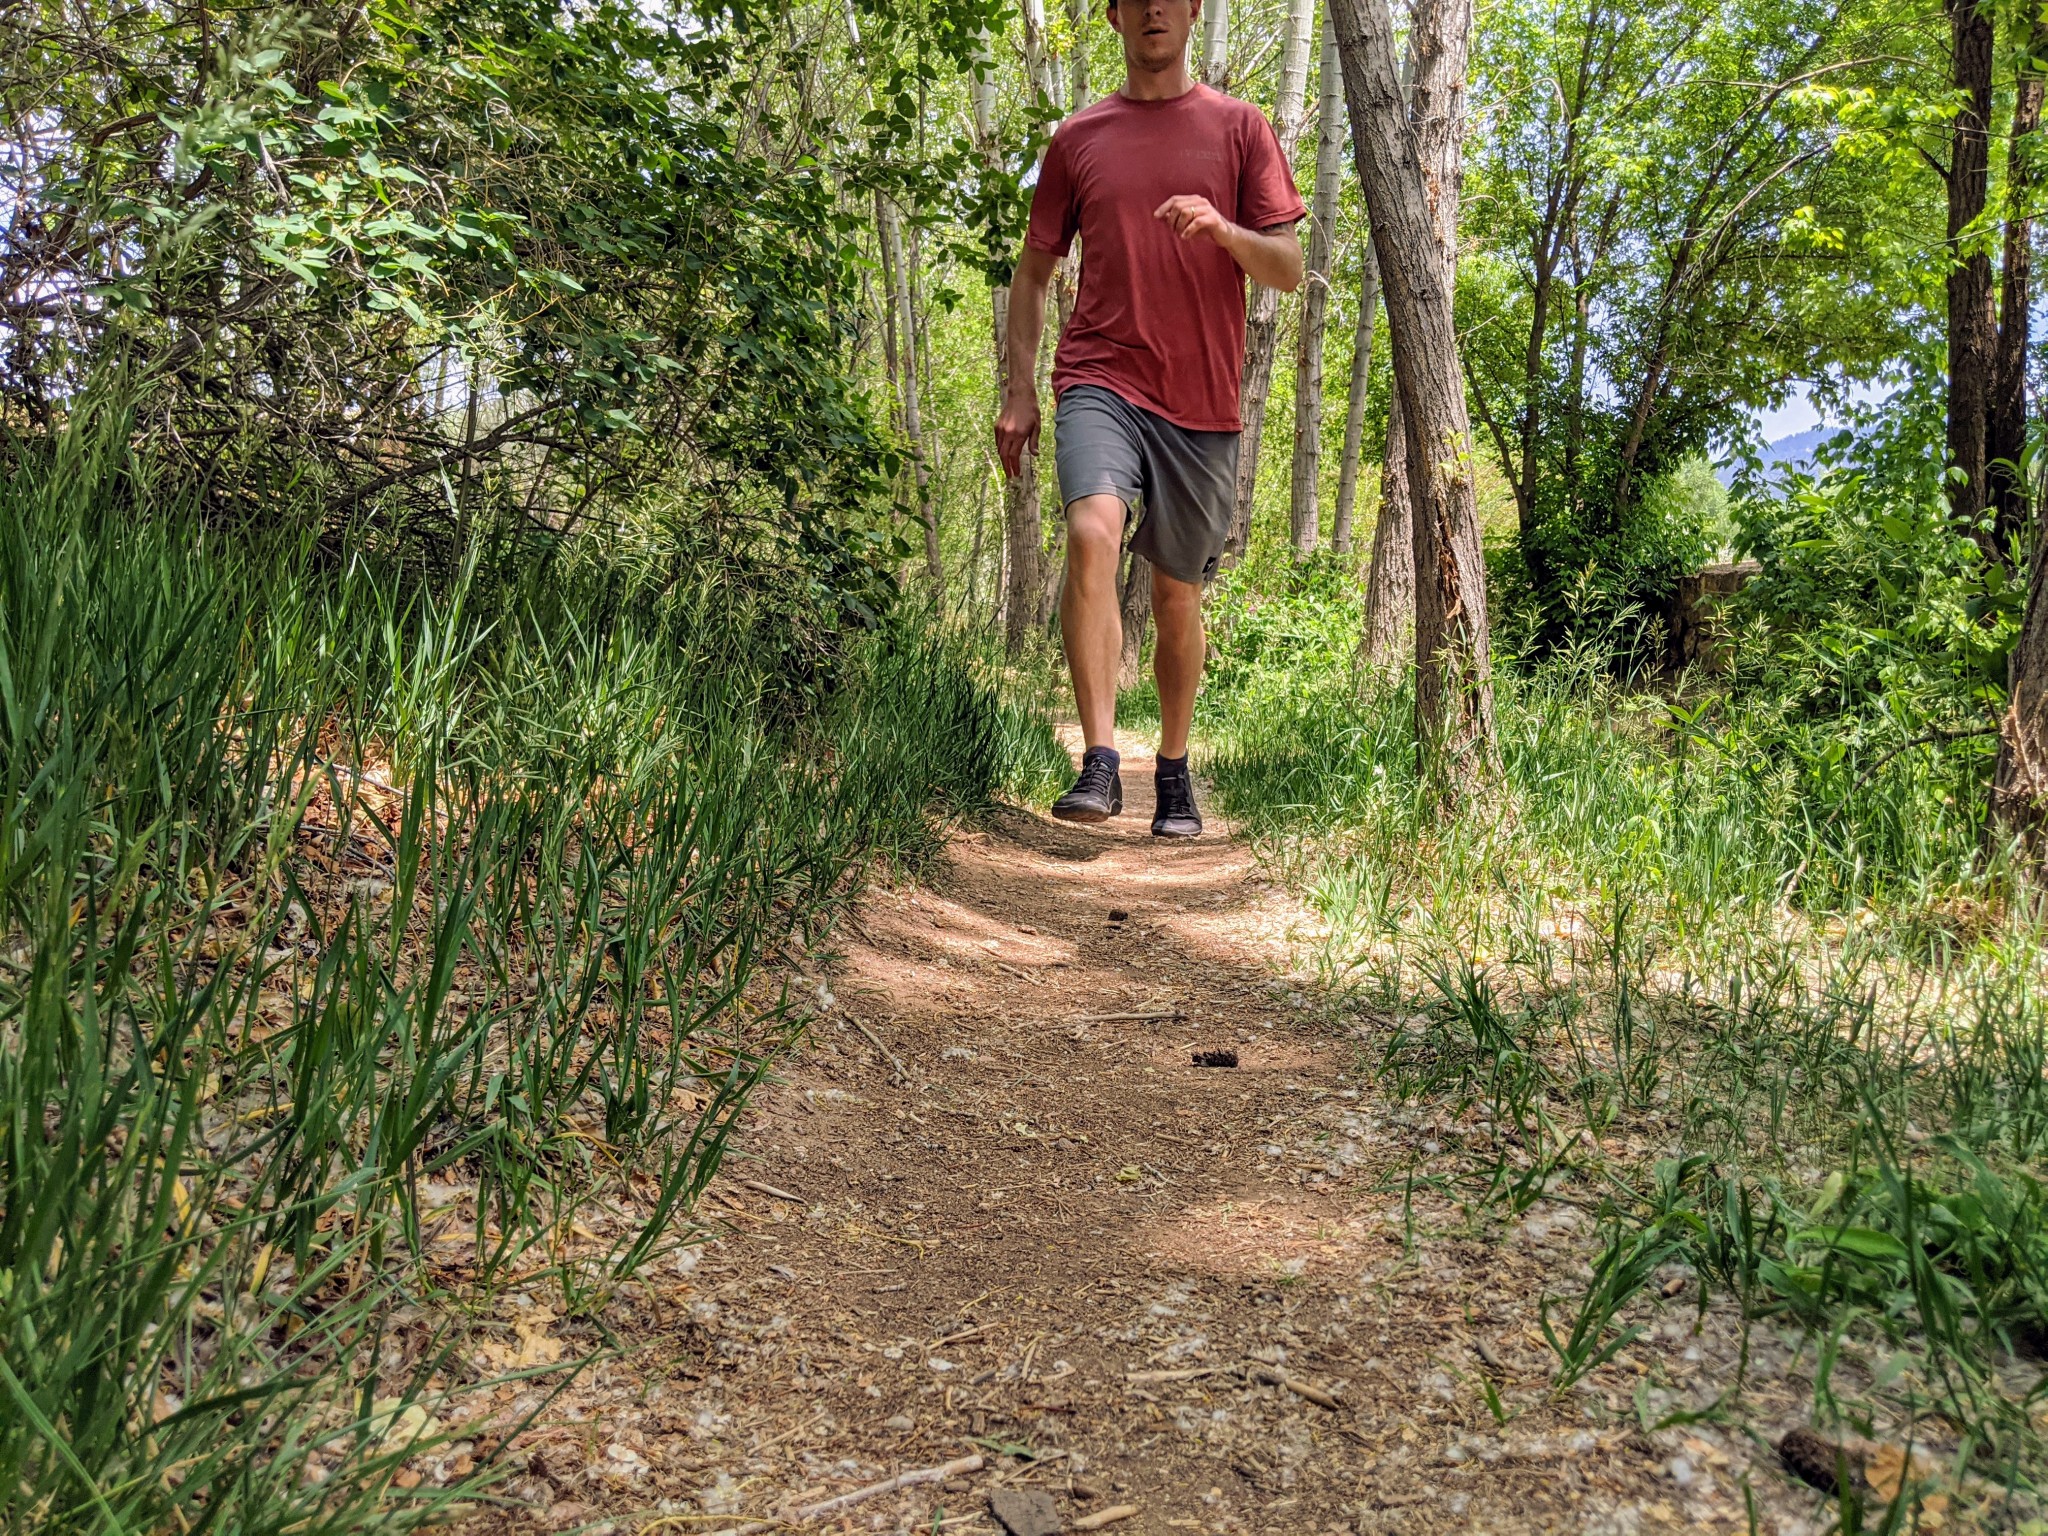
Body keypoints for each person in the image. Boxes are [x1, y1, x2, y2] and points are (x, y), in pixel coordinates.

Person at [995, 0, 1304, 839]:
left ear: (1195, 9)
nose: (1154, 8)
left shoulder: (1241, 128)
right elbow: (1033, 274)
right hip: (1100, 375)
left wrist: (1224, 229)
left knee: (1176, 595)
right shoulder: (1078, 138)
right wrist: (1020, 391)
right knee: (1091, 530)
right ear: (1114, 17)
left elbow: (1288, 267)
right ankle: (1099, 758)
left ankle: (1172, 766)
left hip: (1202, 402)